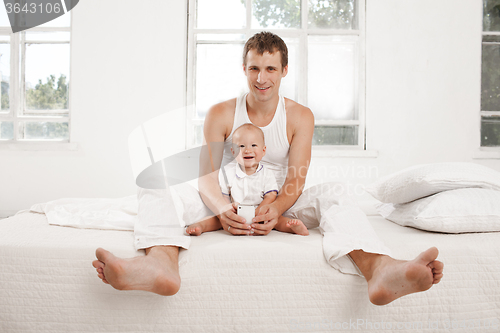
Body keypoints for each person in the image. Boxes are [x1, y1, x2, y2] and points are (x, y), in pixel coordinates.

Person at [93, 31, 444, 306]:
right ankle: (160, 265)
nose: (262, 78)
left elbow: (296, 179)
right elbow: (206, 175)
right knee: (157, 182)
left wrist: (275, 210)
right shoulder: (220, 113)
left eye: (270, 68)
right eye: (254, 68)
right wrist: (221, 209)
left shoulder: (300, 116)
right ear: (244, 69)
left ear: (284, 70)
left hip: (280, 200)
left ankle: (380, 270)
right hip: (227, 196)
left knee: (335, 192)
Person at [186, 123, 308, 236]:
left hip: (260, 212)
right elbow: (224, 196)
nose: (248, 150)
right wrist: (228, 208)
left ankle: (291, 227)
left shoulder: (267, 174)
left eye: (254, 145)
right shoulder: (228, 173)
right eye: (241, 146)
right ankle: (200, 226)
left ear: (263, 150)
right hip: (236, 213)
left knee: (277, 220)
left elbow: (270, 196)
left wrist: (260, 211)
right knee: (216, 219)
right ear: (233, 152)